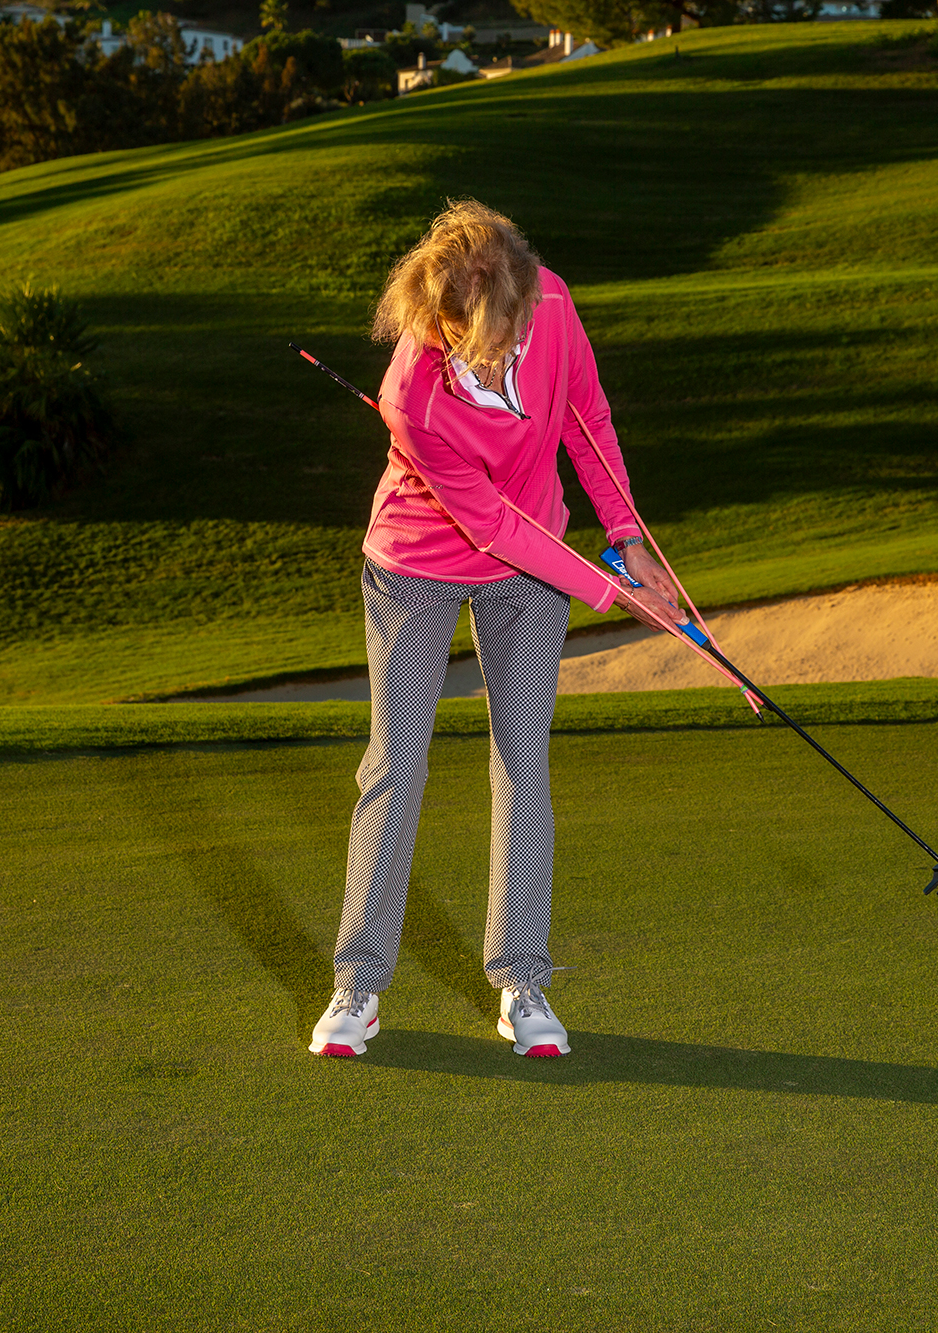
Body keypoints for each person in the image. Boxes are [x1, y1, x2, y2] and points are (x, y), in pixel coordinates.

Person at [308, 200, 683, 1060]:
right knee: (395, 766)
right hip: (418, 565)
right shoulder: (412, 394)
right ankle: (358, 987)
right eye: (491, 336)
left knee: (523, 757)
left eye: (519, 324)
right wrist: (611, 593)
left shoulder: (549, 300)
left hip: (532, 565)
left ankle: (521, 979)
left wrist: (628, 538)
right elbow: (492, 530)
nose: (514, 345)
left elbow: (587, 418)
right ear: (442, 322)